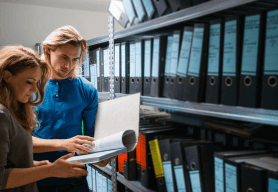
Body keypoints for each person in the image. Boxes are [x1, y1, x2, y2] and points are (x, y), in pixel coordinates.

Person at [0, 45, 88, 192]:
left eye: (36, 82)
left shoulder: (12, 110)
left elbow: (10, 160)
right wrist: (51, 170)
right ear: (7, 76)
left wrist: (33, 165)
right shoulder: (1, 115)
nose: (35, 90)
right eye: (29, 82)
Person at [32, 25, 109, 192]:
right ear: (48, 50)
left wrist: (106, 151)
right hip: (35, 181)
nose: (68, 65)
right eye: (64, 57)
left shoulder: (87, 91)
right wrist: (64, 144)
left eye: (75, 59)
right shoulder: (30, 86)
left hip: (75, 181)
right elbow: (21, 142)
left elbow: (90, 142)